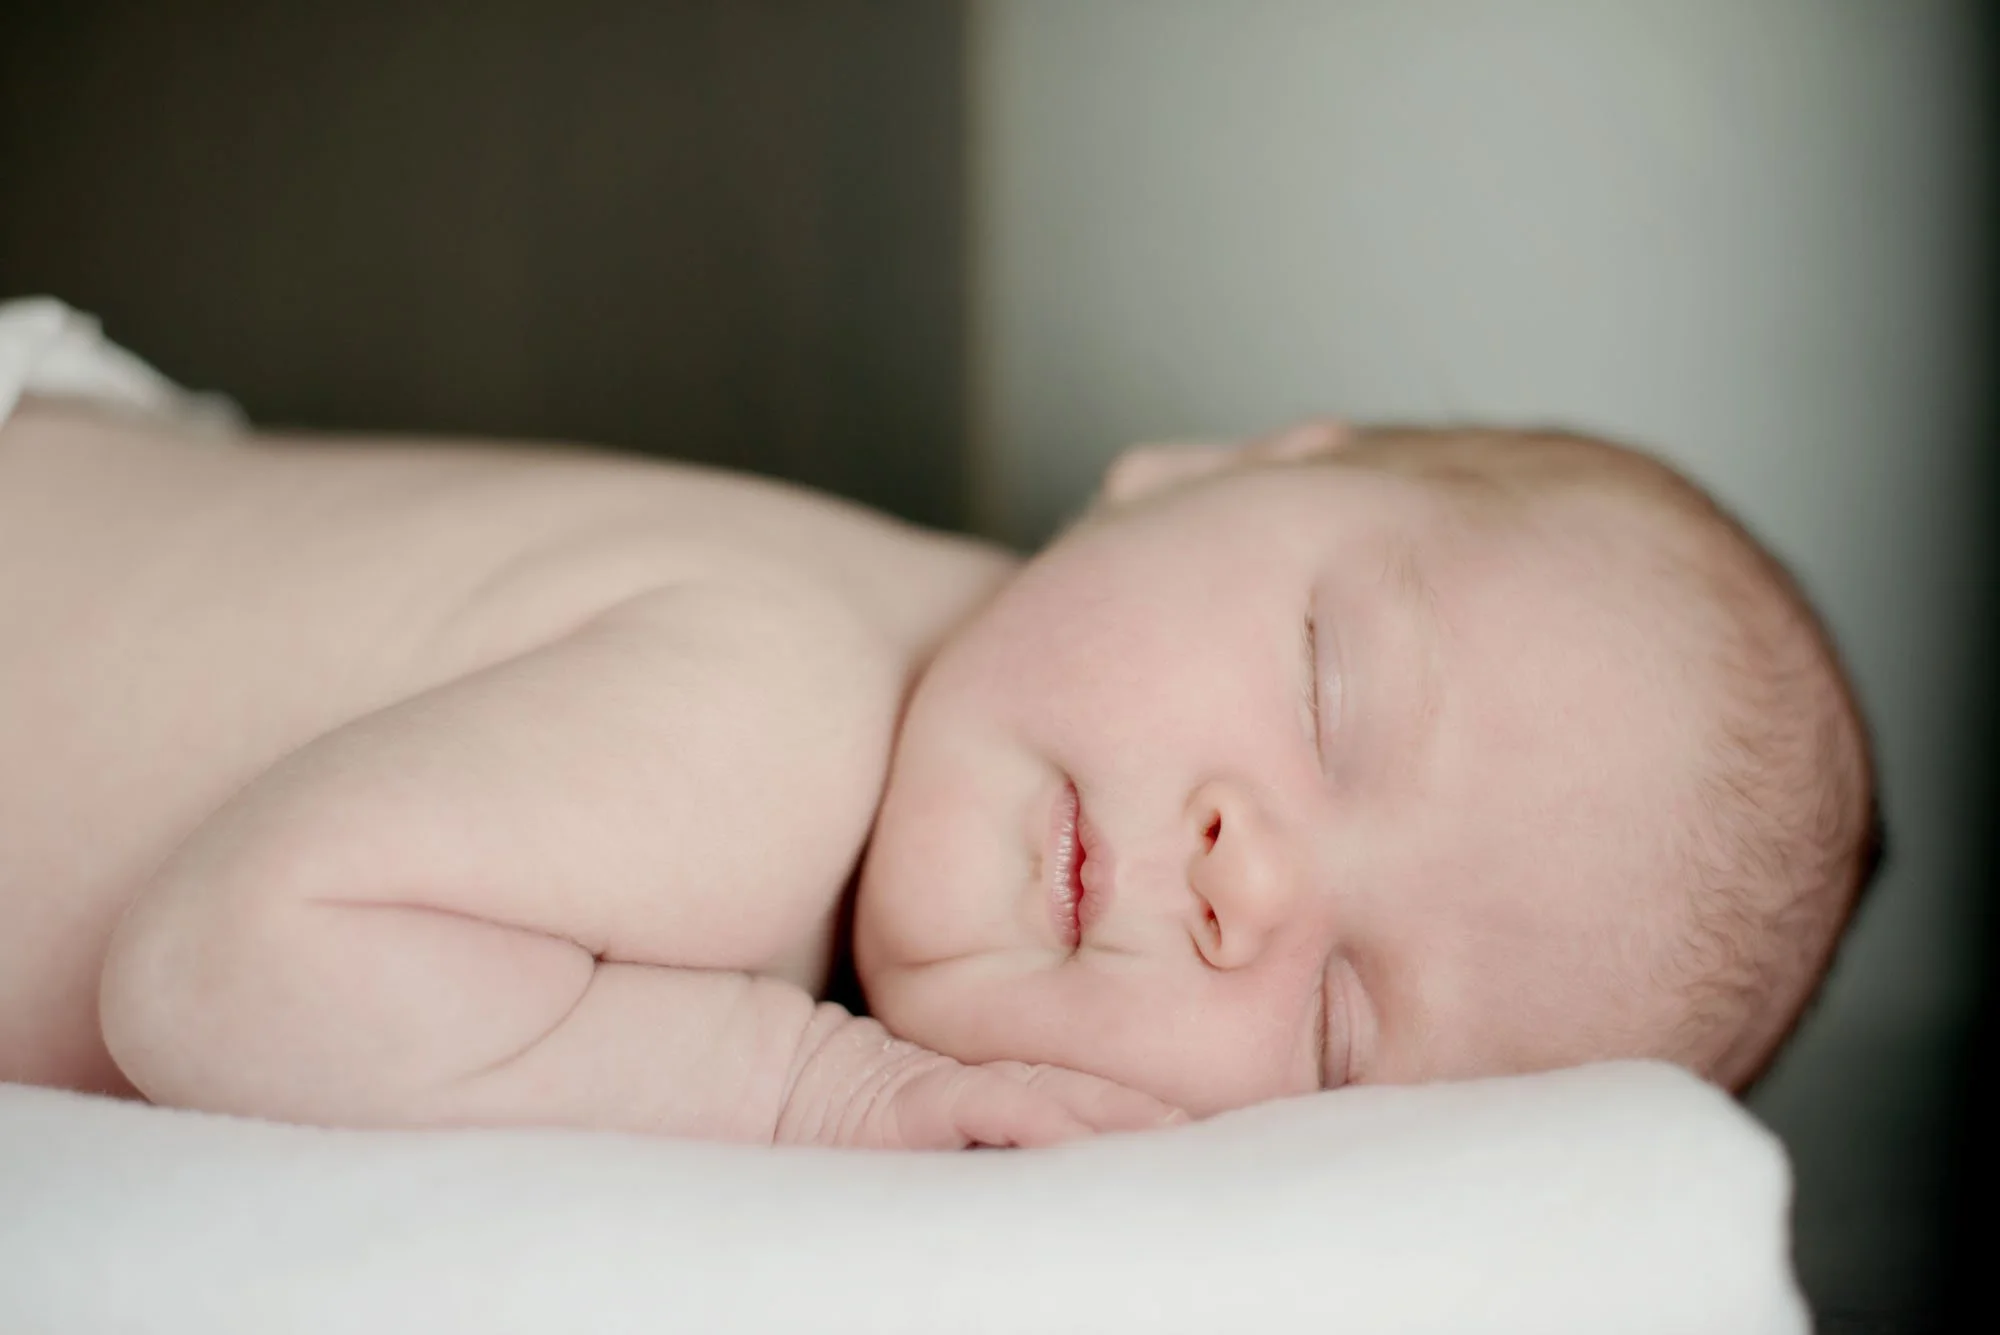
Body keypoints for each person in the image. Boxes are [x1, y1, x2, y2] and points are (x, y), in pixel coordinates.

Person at [0, 298, 1880, 1148]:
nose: (1251, 875)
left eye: (1338, 1023)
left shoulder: (916, 627)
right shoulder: (782, 723)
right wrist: (805, 1087)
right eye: (1328, 686)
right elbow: (219, 966)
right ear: (1204, 473)